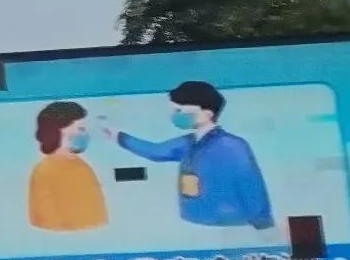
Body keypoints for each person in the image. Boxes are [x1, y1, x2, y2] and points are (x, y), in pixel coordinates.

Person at [112, 80, 273, 229]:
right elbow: (156, 151)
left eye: (181, 110)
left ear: (208, 113)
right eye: (175, 110)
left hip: (226, 226)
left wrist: (263, 225)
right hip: (193, 222)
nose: (177, 115)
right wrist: (119, 137)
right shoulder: (188, 142)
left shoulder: (233, 146)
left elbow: (251, 186)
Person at [25, 102, 109, 232]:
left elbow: (98, 216)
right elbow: (47, 223)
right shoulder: (45, 171)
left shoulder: (83, 167)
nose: (84, 134)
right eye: (80, 129)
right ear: (58, 131)